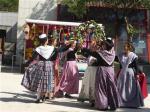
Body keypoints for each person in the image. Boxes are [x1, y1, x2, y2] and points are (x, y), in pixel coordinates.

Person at [81, 38, 120, 111]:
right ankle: (113, 105)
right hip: (111, 71)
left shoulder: (101, 53)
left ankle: (103, 105)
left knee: (101, 88)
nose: (103, 45)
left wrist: (83, 48)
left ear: (107, 46)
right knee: (111, 88)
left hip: (102, 71)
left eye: (104, 44)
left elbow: (91, 53)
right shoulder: (113, 53)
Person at [21, 34, 57, 103]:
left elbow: (32, 58)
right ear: (46, 40)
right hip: (48, 66)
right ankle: (41, 97)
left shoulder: (38, 48)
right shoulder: (51, 48)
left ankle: (39, 97)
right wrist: (68, 45)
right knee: (46, 82)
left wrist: (26, 64)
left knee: (40, 82)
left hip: (40, 65)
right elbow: (57, 53)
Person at [116, 42, 144, 108]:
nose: (124, 48)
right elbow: (120, 65)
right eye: (124, 46)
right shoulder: (121, 55)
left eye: (125, 46)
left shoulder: (133, 56)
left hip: (130, 73)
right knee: (121, 88)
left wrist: (139, 73)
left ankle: (133, 104)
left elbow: (136, 65)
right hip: (122, 73)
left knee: (131, 88)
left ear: (129, 47)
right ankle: (120, 103)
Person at [78, 38, 98, 106]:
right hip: (88, 70)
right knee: (87, 84)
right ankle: (89, 98)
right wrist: (81, 47)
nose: (92, 46)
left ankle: (94, 99)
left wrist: (83, 48)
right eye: (91, 45)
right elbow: (84, 53)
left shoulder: (97, 53)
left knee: (93, 84)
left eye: (93, 45)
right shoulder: (89, 53)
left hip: (95, 71)